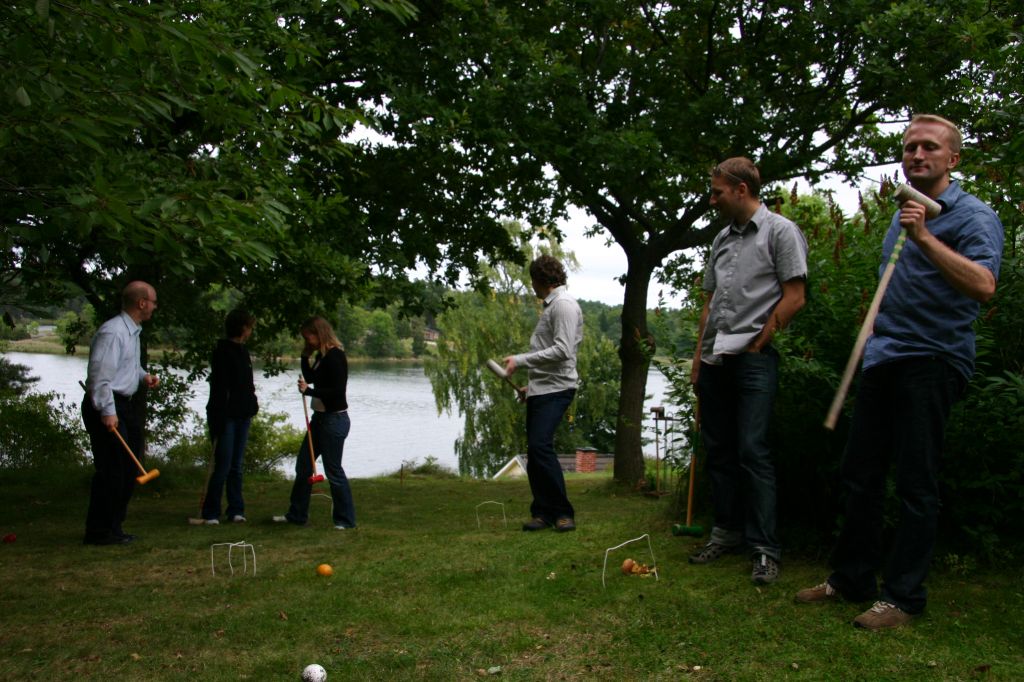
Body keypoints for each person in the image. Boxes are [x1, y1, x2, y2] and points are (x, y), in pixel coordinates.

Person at [796, 115, 1003, 629]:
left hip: (933, 359)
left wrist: (925, 237)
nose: (916, 155)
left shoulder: (974, 216)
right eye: (910, 147)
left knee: (915, 481)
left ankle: (904, 599)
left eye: (929, 147)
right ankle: (851, 579)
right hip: (884, 356)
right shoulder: (901, 215)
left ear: (953, 158)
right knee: (860, 475)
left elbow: (983, 285)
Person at [688, 157, 808, 584]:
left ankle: (764, 549)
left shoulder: (780, 231)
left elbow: (795, 296)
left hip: (753, 360)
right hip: (715, 360)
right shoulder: (721, 239)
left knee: (753, 451)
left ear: (742, 189)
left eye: (717, 192)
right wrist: (698, 359)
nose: (712, 199)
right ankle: (726, 533)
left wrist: (759, 343)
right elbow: (709, 303)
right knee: (719, 451)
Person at [504, 255, 584, 533]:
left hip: (558, 389)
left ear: (540, 279)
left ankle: (563, 513)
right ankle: (542, 512)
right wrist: (533, 386)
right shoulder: (553, 306)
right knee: (535, 452)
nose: (532, 286)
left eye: (532, 281)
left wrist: (520, 360)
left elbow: (563, 350)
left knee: (540, 447)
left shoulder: (563, 305)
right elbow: (549, 353)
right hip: (543, 388)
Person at [81, 281, 160, 545]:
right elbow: (99, 377)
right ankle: (98, 531)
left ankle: (114, 527)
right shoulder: (113, 332)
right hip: (106, 405)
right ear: (141, 303)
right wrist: (107, 411)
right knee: (112, 469)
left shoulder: (132, 332)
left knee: (129, 467)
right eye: (153, 302)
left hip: (124, 405)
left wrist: (143, 376)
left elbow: (128, 367)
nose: (154, 307)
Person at [274, 316, 356, 529]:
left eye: (308, 337)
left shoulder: (336, 356)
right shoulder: (321, 355)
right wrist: (304, 356)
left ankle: (345, 520)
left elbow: (337, 391)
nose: (307, 340)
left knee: (333, 470)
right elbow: (311, 377)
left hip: (334, 420)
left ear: (319, 334)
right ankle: (297, 514)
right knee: (304, 466)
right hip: (319, 419)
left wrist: (309, 392)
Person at [198, 309, 258, 525]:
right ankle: (211, 511)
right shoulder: (222, 352)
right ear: (242, 328)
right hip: (226, 416)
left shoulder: (243, 351)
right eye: (249, 327)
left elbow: (247, 384)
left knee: (236, 466)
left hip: (243, 414)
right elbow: (220, 388)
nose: (250, 331)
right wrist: (219, 417)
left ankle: (236, 509)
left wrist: (252, 405)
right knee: (223, 464)